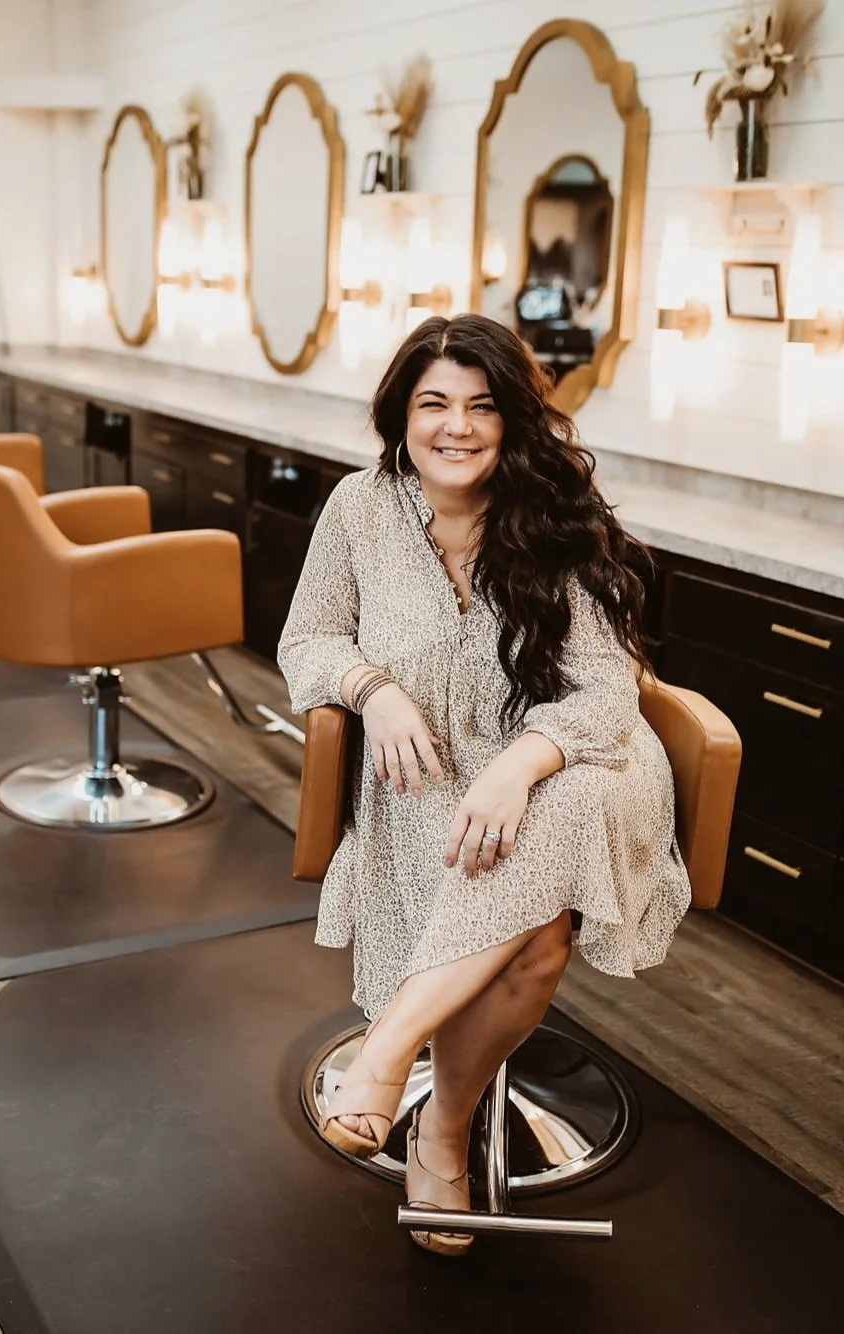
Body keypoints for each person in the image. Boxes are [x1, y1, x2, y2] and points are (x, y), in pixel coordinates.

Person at [277, 313, 690, 1257]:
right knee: (535, 942)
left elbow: (603, 695)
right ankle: (442, 1127)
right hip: (427, 782)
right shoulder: (358, 509)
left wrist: (518, 764)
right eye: (434, 403)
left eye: (481, 406)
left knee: (564, 808)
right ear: (401, 415)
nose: (456, 426)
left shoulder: (553, 519)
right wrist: (373, 690)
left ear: (512, 422)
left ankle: (396, 1068)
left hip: (579, 765)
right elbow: (309, 640)